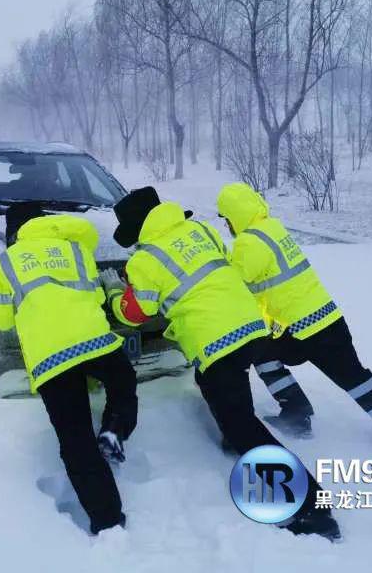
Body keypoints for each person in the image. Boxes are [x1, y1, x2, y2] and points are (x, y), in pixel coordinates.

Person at [100, 186, 340, 540]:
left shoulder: (145, 260)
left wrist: (114, 291)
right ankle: (233, 436)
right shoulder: (202, 231)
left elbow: (137, 313)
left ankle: (310, 509)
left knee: (241, 422)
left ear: (136, 230)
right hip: (250, 327)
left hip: (216, 341)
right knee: (217, 388)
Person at [216, 182, 372, 452]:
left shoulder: (249, 242)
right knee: (355, 377)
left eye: (226, 220)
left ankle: (297, 411)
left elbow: (237, 284)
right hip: (327, 319)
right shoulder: (272, 228)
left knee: (263, 356)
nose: (227, 226)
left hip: (303, 330)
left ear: (234, 215)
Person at [0, 202, 138, 535]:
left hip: (52, 360)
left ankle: (108, 520)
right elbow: (94, 295)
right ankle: (114, 428)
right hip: (97, 343)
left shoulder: (1, 265)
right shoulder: (75, 250)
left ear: (13, 233)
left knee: (75, 440)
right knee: (123, 381)